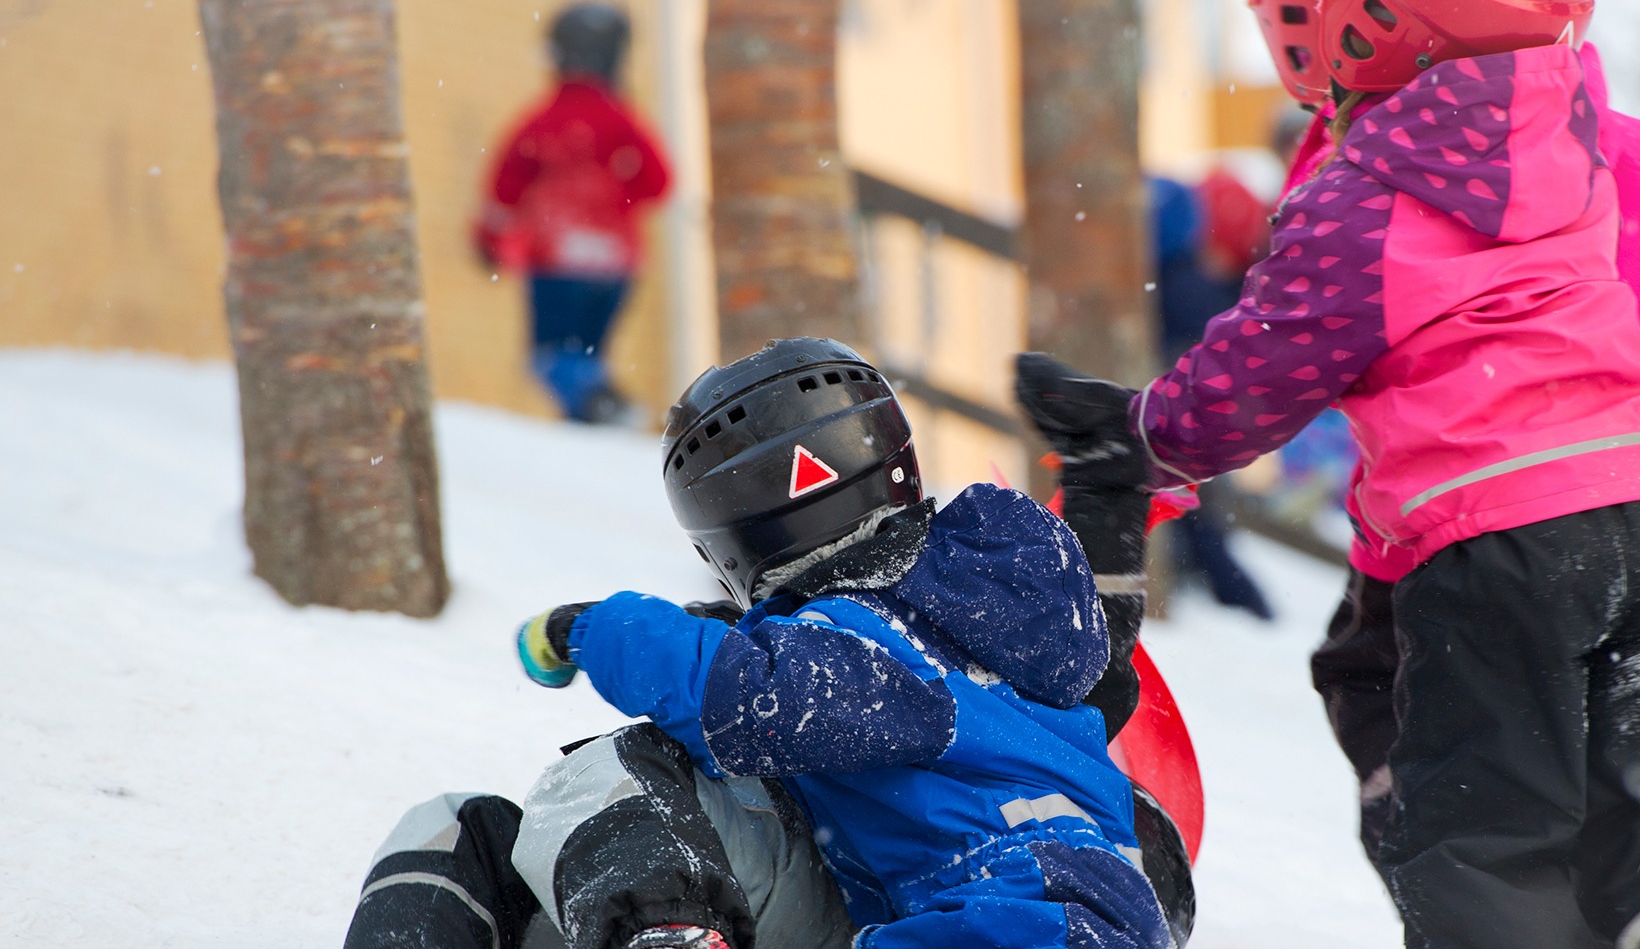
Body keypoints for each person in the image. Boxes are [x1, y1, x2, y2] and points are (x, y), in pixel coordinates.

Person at [1015, 0, 1640, 947]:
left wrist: (1139, 438)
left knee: (1478, 838)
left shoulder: (1366, 191)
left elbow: (1260, 370)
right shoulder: (1575, 131)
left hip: (1494, 531)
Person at [344, 338, 1187, 949]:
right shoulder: (998, 630)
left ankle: (668, 934)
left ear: (728, 536)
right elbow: (1104, 667)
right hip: (1028, 913)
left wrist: (591, 629)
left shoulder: (865, 648)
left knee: (598, 776)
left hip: (1002, 921)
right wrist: (1105, 490)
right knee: (474, 834)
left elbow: (747, 697)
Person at [1308, 38, 1640, 894]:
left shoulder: (1367, 153)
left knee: (1440, 760)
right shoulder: (1626, 143)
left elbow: (1305, 326)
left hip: (1463, 516)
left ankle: (1472, 894)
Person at [475, 0, 671, 425]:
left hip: (555, 258)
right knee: (589, 352)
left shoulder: (541, 120)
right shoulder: (622, 119)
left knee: (550, 356)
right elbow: (659, 181)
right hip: (615, 262)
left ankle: (597, 407)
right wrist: (619, 204)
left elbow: (504, 188)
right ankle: (592, 410)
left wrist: (489, 239)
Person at [1147, 175, 1273, 620]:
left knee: (1197, 517)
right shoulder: (1198, 291)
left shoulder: (1168, 283)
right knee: (1203, 517)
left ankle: (1238, 601)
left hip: (1177, 427)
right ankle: (1245, 605)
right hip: (1192, 432)